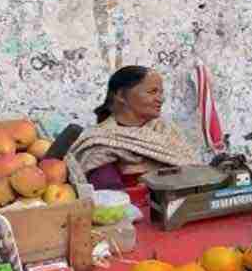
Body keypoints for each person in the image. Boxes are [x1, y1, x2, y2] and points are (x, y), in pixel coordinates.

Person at [68, 66, 199, 190]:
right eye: (152, 92)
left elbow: (193, 171)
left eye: (161, 92)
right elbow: (107, 193)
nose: (161, 99)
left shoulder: (166, 130)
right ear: (121, 95)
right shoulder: (98, 142)